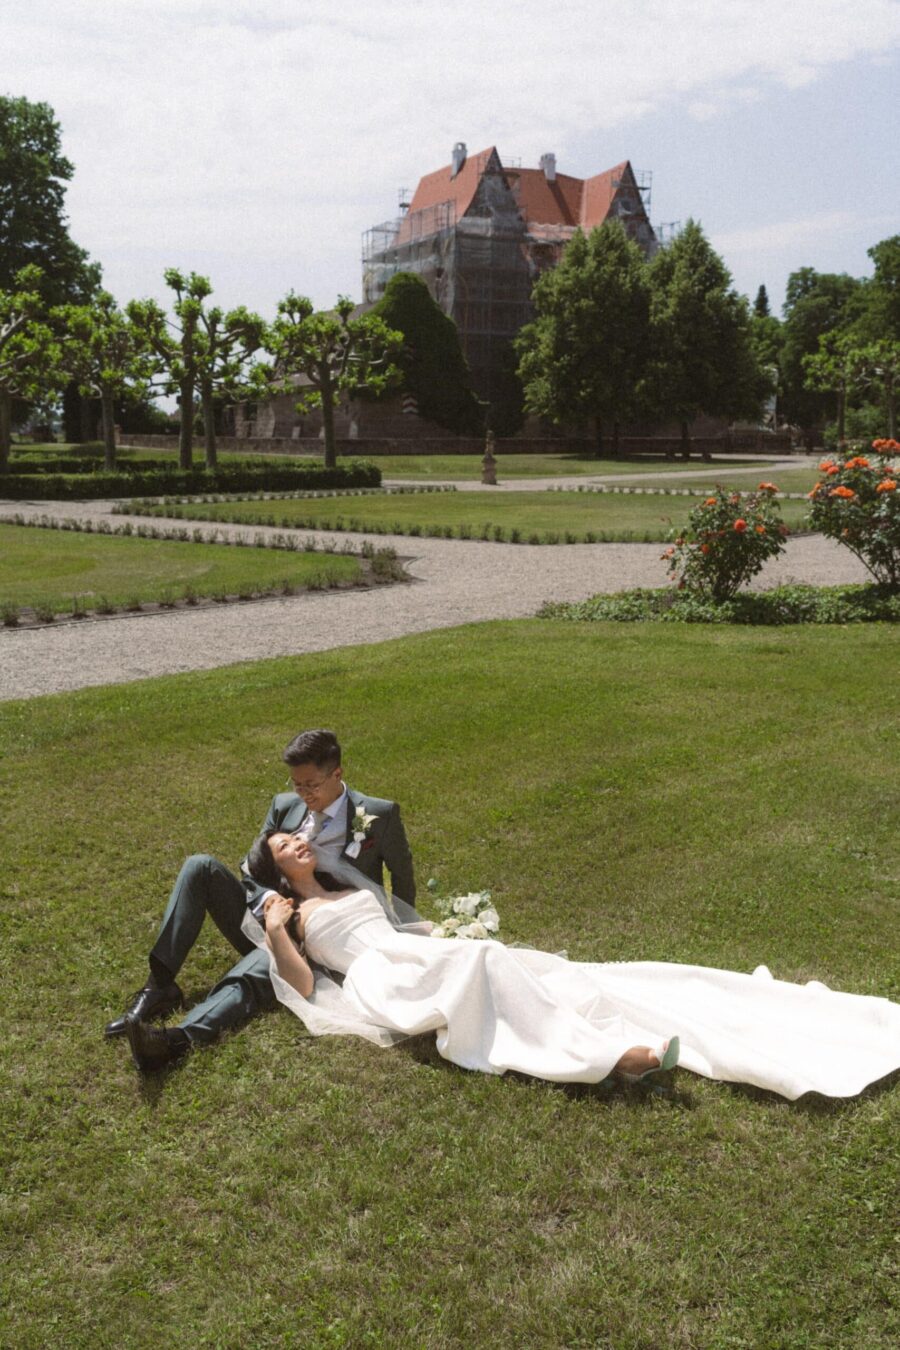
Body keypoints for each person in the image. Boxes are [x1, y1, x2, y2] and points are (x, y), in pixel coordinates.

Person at [240, 831, 900, 1100]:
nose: (300, 840)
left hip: (417, 950)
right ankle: (614, 1057)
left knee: (537, 967)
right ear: (278, 870)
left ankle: (601, 1023)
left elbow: (403, 925)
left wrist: (452, 928)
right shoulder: (292, 918)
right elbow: (305, 984)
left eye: (298, 835)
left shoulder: (350, 888)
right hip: (383, 976)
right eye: (286, 844)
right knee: (481, 964)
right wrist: (274, 928)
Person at [108, 730, 416, 1072]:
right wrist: (269, 900)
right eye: (297, 784)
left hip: (320, 934)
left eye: (311, 785)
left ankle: (179, 1039)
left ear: (337, 774)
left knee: (259, 964)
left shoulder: (377, 815)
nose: (303, 794)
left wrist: (403, 939)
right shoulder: (284, 806)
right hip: (271, 912)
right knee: (199, 866)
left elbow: (403, 879)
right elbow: (252, 867)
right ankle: (159, 985)